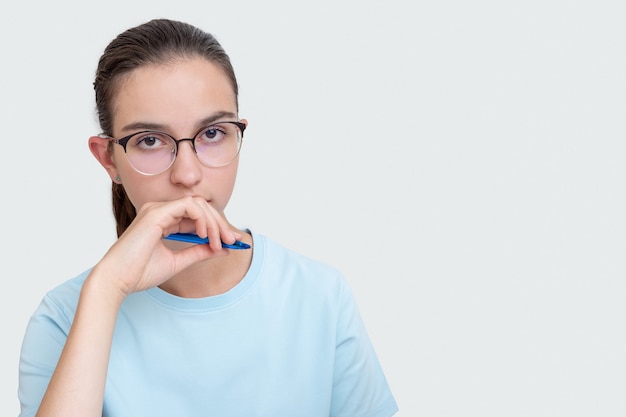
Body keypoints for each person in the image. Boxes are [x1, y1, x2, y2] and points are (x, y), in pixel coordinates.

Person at [17, 18, 398, 417]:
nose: (187, 175)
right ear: (108, 158)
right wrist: (107, 289)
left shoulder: (321, 296)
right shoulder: (63, 319)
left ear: (239, 135)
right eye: (150, 140)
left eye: (213, 134)